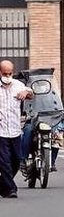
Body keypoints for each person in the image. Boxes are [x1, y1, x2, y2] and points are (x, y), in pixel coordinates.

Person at [0, 59, 34, 199]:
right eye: (4, 73)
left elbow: (31, 93)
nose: (7, 76)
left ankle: (3, 185)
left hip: (14, 129)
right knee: (4, 161)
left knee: (17, 160)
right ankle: (11, 189)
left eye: (9, 73)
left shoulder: (18, 85)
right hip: (1, 131)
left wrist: (26, 93)